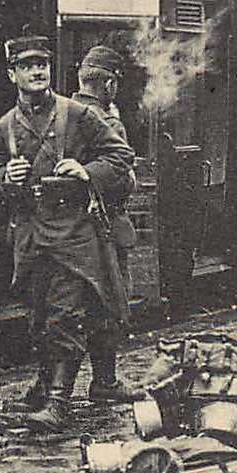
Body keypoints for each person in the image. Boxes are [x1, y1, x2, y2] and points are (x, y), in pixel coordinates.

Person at [0, 34, 137, 433]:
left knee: (65, 315)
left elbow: (120, 155)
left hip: (75, 235)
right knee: (40, 316)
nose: (37, 71)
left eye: (42, 64)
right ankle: (45, 386)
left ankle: (58, 402)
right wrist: (7, 177)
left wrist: (87, 171)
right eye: (27, 66)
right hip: (32, 237)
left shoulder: (77, 115)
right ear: (12, 74)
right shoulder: (4, 127)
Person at [69, 44, 144, 403]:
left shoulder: (61, 115)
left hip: (68, 231)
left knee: (67, 307)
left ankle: (51, 388)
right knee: (107, 304)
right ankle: (105, 381)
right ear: (110, 85)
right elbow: (121, 179)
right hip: (104, 227)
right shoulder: (108, 122)